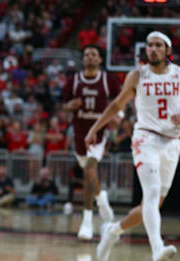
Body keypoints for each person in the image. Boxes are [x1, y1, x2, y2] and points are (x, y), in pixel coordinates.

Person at [88, 31, 180, 261]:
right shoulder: (137, 76)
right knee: (152, 192)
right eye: (149, 45)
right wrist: (95, 128)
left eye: (158, 45)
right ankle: (157, 248)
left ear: (168, 50)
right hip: (145, 137)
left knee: (150, 205)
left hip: (172, 142)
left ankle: (114, 230)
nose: (153, 49)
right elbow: (116, 104)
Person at [63, 44, 120, 240]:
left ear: (100, 59)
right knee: (90, 173)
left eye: (93, 54)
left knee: (89, 169)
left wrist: (118, 117)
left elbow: (119, 102)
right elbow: (63, 107)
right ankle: (101, 198)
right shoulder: (73, 80)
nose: (89, 57)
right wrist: (70, 105)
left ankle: (87, 221)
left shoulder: (107, 80)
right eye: (86, 54)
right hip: (79, 133)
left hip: (99, 133)